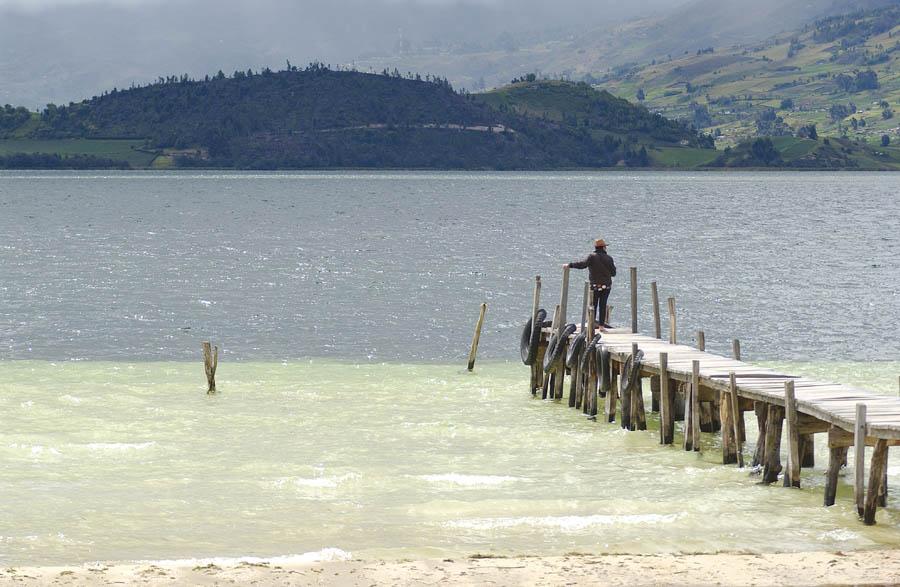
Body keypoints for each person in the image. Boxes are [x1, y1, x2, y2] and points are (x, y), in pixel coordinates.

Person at [565, 238, 616, 329]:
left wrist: (570, 265)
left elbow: (582, 265)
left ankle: (591, 325)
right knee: (603, 305)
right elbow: (613, 273)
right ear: (603, 247)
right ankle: (601, 326)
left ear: (596, 247)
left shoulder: (591, 257)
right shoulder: (609, 258)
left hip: (595, 286)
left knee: (593, 305)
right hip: (606, 286)